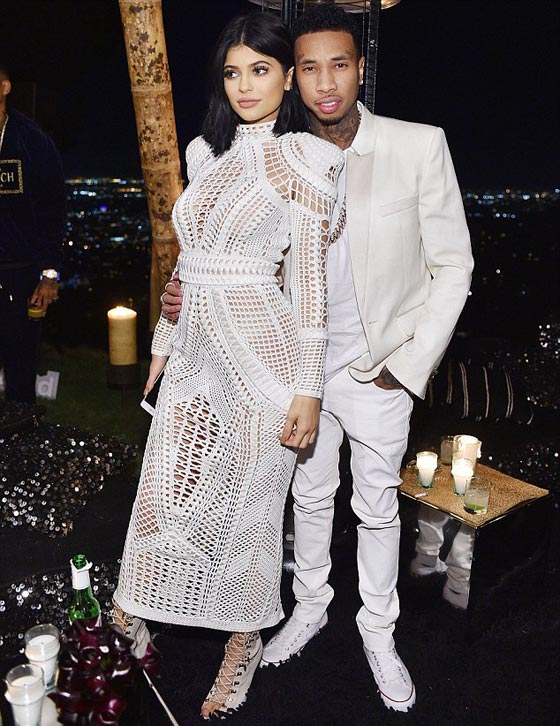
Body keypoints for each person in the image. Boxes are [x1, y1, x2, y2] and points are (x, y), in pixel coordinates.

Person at [163, 5, 473, 715]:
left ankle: (378, 633)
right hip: (289, 365)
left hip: (379, 367)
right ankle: (308, 607)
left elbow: (453, 266)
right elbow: (236, 252)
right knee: (305, 496)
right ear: (291, 76)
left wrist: (408, 366)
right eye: (308, 67)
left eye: (339, 64)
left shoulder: (417, 145)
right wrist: (191, 293)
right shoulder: (276, 152)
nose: (325, 82)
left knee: (375, 506)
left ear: (361, 67)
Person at [113, 13, 343, 720]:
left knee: (249, 512)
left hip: (263, 358)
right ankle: (131, 618)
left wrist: (307, 390)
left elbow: (311, 287)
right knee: (164, 495)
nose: (245, 86)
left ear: (287, 77)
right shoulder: (205, 152)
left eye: (261, 70)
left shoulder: (307, 158)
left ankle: (242, 643)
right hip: (195, 352)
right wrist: (162, 340)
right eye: (232, 72)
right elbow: (187, 264)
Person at [0, 63, 65, 403]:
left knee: (20, 367)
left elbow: (53, 212)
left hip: (20, 274)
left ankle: (20, 430)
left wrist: (49, 276)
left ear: (5, 87)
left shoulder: (32, 142)